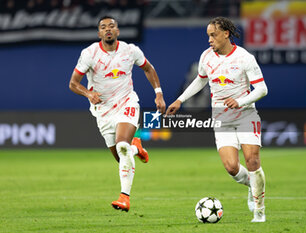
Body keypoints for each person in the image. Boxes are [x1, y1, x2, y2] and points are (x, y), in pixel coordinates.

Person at [166, 17, 268, 222]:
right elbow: (200, 80)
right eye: (208, 36)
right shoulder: (206, 57)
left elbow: (262, 89)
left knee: (252, 160)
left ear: (226, 34)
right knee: (231, 167)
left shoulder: (244, 57)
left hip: (245, 114)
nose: (209, 40)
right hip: (221, 118)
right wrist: (180, 100)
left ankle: (259, 211)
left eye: (213, 35)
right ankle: (252, 184)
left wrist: (240, 101)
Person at [69, 15, 166, 212]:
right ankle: (136, 148)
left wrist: (158, 94)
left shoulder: (130, 51)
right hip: (103, 111)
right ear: (99, 33)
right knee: (122, 157)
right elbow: (73, 84)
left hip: (126, 102)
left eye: (111, 26)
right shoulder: (89, 54)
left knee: (123, 146)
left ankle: (124, 198)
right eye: (103, 27)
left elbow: (148, 68)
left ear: (118, 31)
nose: (108, 29)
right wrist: (88, 93)